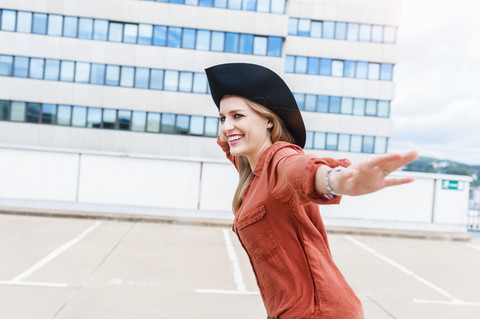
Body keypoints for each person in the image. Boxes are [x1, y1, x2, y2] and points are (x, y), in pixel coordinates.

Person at [205, 63, 418, 319]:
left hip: (318, 312)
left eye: (238, 116)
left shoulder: (279, 158)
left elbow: (298, 168)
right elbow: (230, 146)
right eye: (222, 118)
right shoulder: (252, 175)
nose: (227, 126)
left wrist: (333, 179)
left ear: (269, 121)